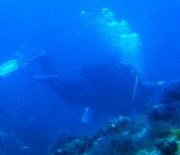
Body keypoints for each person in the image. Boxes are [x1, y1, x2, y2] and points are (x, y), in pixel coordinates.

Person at [22, 52, 161, 122]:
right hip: (93, 92)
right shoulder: (135, 96)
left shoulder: (131, 82)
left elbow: (109, 106)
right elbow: (117, 109)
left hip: (94, 88)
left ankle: (45, 64)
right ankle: (46, 67)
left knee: (67, 94)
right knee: (65, 93)